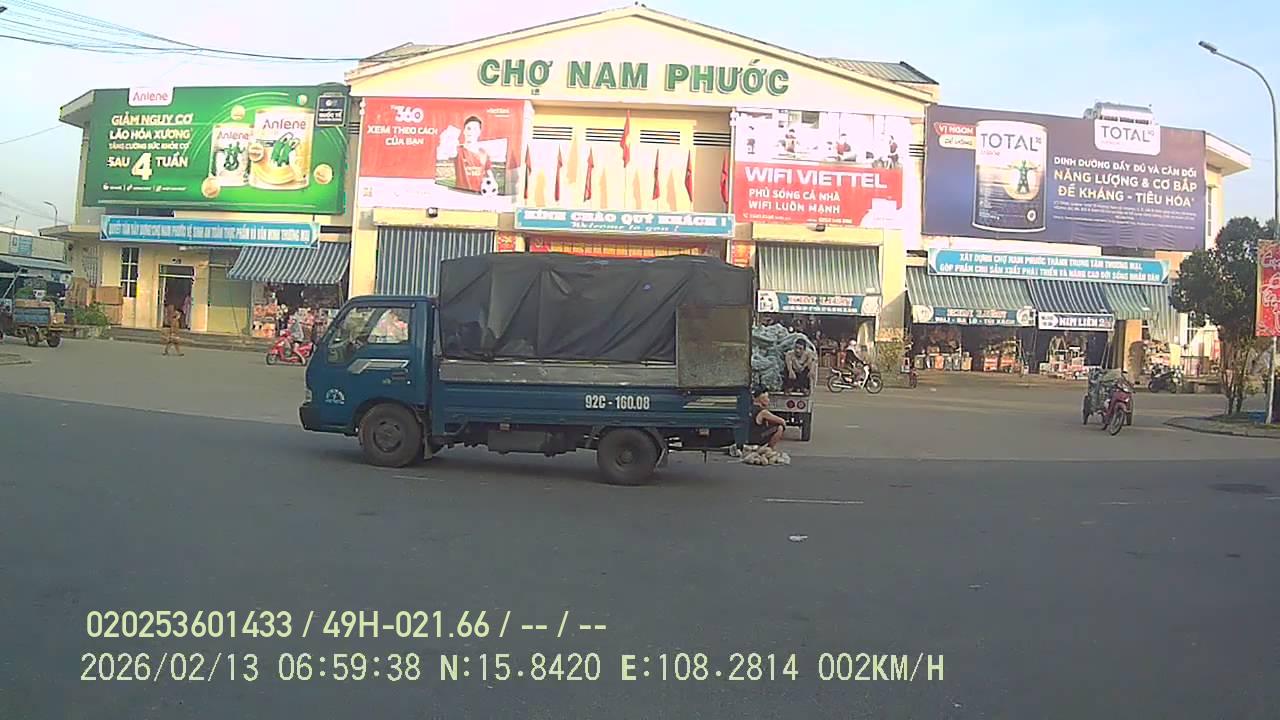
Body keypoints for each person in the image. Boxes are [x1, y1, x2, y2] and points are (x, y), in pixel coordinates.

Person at [454, 115, 494, 194]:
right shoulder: (457, 150)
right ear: (464, 131)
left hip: (479, 195)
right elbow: (447, 152)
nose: (471, 132)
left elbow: (488, 171)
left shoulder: (484, 153)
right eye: (468, 129)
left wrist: (492, 183)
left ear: (479, 132)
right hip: (461, 195)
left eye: (475, 129)